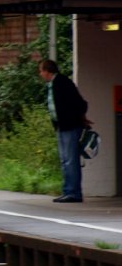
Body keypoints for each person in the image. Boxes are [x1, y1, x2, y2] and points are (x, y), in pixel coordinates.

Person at [38, 59, 89, 203]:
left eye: (41, 71)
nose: (40, 74)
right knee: (65, 160)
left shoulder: (62, 83)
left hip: (70, 126)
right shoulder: (53, 85)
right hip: (62, 126)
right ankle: (68, 190)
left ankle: (73, 192)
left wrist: (79, 117)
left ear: (47, 71)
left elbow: (79, 103)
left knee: (70, 160)